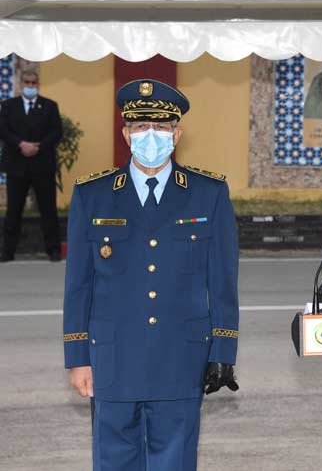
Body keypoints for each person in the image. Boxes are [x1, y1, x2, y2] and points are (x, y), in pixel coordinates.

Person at [62, 79, 240, 471]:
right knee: (114, 460)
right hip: (112, 357)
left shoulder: (208, 193)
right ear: (126, 134)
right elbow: (78, 285)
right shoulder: (92, 195)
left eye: (160, 128)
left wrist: (223, 350)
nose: (151, 136)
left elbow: (223, 282)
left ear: (177, 133)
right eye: (141, 128)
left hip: (181, 356)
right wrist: (78, 357)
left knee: (174, 461)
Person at [0, 70, 63, 262]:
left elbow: (56, 132)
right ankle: (7, 251)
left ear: (38, 84)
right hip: (17, 166)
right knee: (13, 211)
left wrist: (39, 146)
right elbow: (3, 130)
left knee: (48, 210)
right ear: (21, 84)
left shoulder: (50, 106)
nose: (30, 85)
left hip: (42, 165)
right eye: (26, 82)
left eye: (33, 82)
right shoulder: (8, 106)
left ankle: (53, 250)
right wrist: (21, 144)